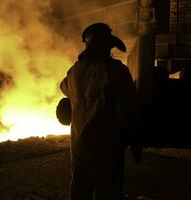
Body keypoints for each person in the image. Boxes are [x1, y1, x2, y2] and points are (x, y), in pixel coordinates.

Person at [60, 23, 141, 200]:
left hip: (80, 145)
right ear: (106, 46)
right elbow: (125, 108)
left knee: (80, 189)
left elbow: (63, 87)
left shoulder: (74, 71)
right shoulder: (116, 70)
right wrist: (134, 138)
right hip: (107, 145)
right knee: (108, 191)